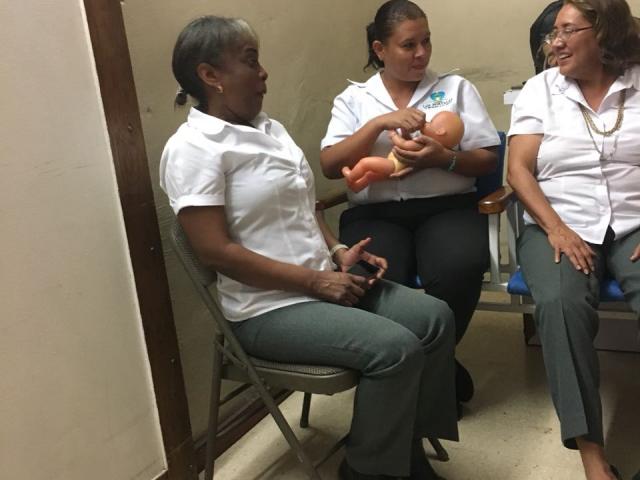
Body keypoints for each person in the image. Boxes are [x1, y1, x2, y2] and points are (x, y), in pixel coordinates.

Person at [160, 15, 458, 480]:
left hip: (322, 281)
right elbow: (214, 252)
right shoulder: (194, 148)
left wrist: (336, 252)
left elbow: (303, 207)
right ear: (210, 75)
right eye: (250, 61)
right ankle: (368, 472)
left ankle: (402, 450)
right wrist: (316, 281)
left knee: (434, 317)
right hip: (266, 309)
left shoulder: (269, 128)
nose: (263, 72)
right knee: (395, 349)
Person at [320, 0, 501, 413]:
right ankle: (430, 368)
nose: (422, 53)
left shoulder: (455, 89)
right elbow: (330, 165)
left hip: (447, 207)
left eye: (426, 42)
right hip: (377, 213)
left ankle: (427, 364)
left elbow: (488, 159)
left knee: (458, 266)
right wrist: (377, 124)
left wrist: (443, 159)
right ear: (380, 49)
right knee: (374, 278)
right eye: (408, 45)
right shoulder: (354, 98)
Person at [507, 1, 640, 478]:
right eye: (552, 35)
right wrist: (557, 228)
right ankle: (592, 456)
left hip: (634, 222)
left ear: (603, 32)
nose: (555, 44)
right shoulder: (540, 90)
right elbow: (518, 170)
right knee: (560, 304)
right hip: (557, 221)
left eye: (566, 31)